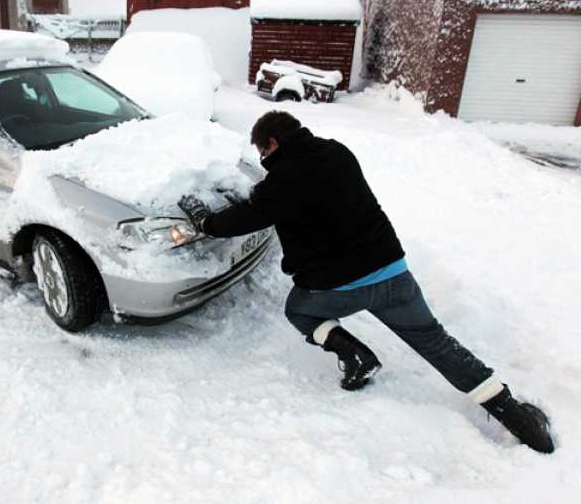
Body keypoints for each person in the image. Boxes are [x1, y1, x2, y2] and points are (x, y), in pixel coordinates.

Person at [178, 110, 555, 454]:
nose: (263, 159)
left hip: (341, 286)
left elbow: (248, 216)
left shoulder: (285, 179)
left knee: (299, 309)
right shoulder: (337, 152)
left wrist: (205, 222)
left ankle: (355, 355)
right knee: (435, 342)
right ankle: (517, 417)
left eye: (263, 151)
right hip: (392, 271)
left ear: (272, 143)